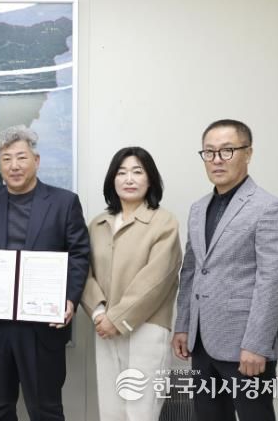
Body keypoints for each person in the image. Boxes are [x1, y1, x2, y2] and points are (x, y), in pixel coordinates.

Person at [0, 125, 90, 421]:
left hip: (41, 326)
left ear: (37, 160)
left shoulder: (64, 202)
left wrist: (70, 299)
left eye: (21, 157)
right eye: (6, 159)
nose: (14, 166)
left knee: (45, 409)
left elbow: (79, 254)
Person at [172, 119, 278, 421]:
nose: (217, 159)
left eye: (227, 151)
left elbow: (273, 282)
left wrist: (256, 345)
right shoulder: (198, 208)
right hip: (201, 341)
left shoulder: (269, 208)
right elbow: (191, 271)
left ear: (248, 153)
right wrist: (183, 325)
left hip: (245, 345)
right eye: (209, 152)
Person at [80, 147, 182, 421]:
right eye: (121, 172)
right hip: (104, 327)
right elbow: (84, 273)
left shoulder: (163, 222)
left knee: (141, 411)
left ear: (150, 179)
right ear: (112, 179)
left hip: (146, 328)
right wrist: (99, 314)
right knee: (110, 410)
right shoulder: (98, 224)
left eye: (137, 172)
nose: (129, 179)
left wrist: (117, 318)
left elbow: (157, 279)